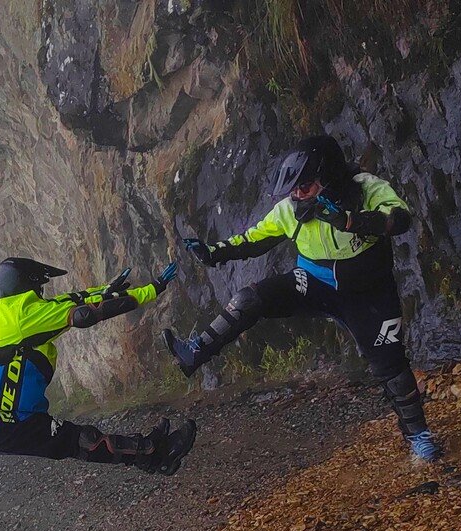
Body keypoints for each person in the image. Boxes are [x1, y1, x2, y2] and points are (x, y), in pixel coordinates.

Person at [162, 133, 441, 461]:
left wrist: (351, 220)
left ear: (328, 178)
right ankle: (195, 352)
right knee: (251, 298)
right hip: (314, 284)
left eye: (304, 187)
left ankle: (419, 438)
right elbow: (253, 240)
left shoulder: (366, 188)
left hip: (367, 293)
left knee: (391, 367)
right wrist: (213, 253)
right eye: (293, 189)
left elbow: (401, 219)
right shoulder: (288, 210)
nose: (297, 195)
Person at [0, 256, 197, 474]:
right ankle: (156, 455)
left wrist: (105, 291)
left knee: (71, 437)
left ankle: (148, 448)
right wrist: (151, 290)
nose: (40, 293)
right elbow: (84, 313)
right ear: (24, 285)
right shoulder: (22, 318)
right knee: (76, 440)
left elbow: (66, 302)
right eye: (38, 287)